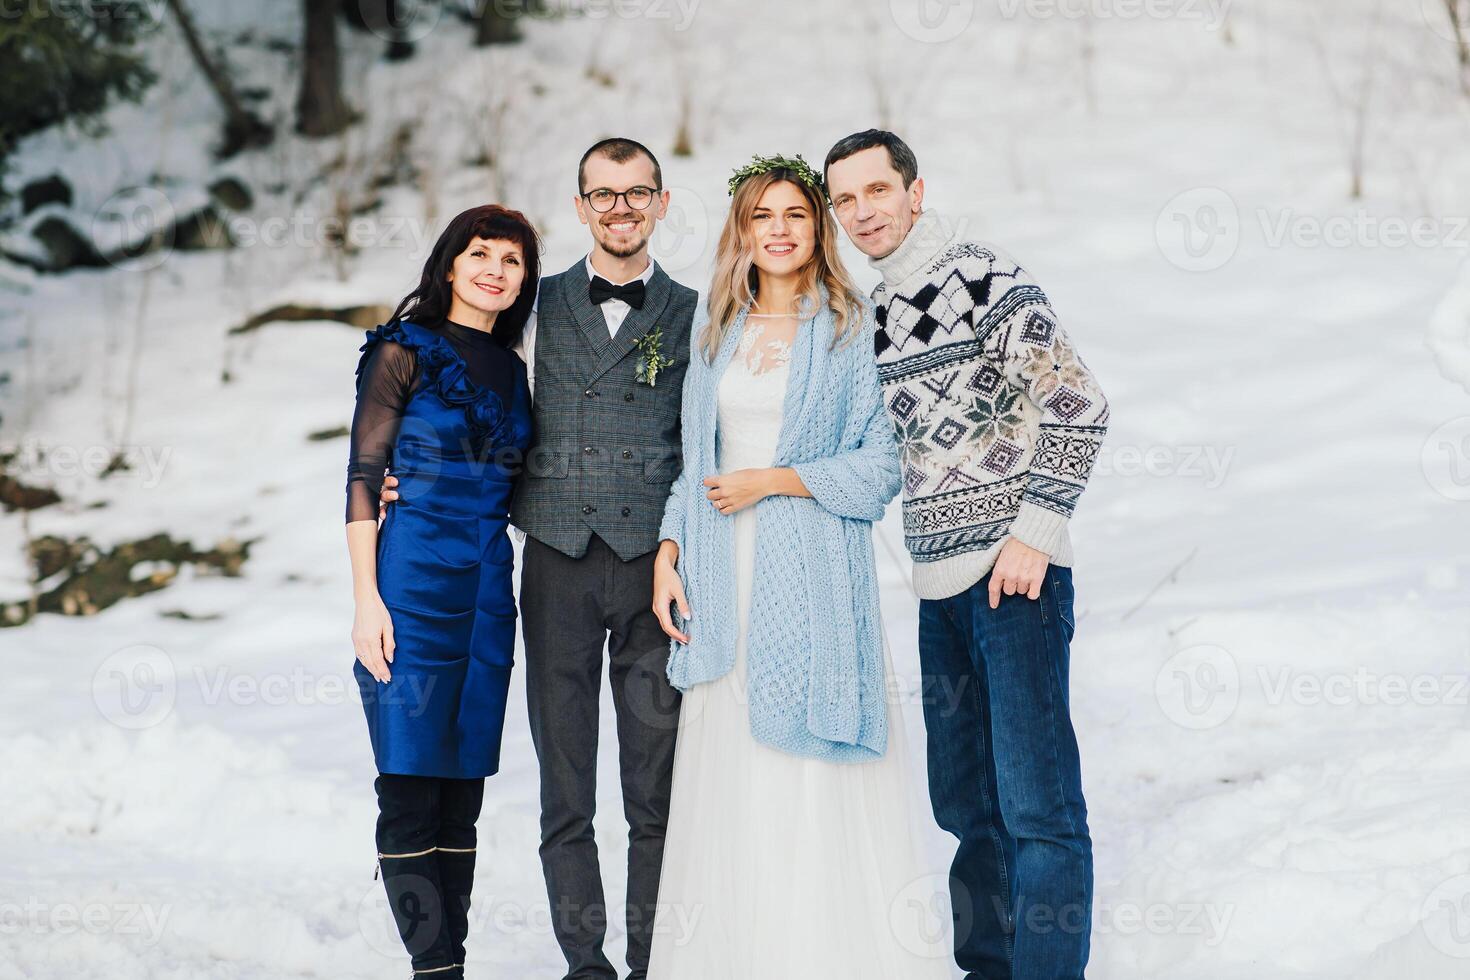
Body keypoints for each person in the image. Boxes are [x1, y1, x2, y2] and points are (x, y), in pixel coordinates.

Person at [384, 138, 698, 980]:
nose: (620, 208)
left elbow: (707, 439)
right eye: (603, 194)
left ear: (662, 204)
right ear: (581, 207)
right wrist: (403, 482)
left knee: (654, 788)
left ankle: (650, 964)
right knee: (566, 788)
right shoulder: (529, 305)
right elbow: (460, 392)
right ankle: (585, 967)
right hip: (552, 567)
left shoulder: (698, 313)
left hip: (652, 574)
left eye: (637, 194)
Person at [645, 154, 952, 980]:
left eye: (796, 215)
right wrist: (670, 551)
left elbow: (879, 467)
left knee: (805, 766)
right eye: (762, 216)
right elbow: (691, 460)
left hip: (811, 574)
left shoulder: (849, 331)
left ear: (818, 230)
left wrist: (772, 482)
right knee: (733, 774)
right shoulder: (715, 333)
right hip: (719, 573)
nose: (779, 230)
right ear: (741, 231)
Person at [825, 129, 1111, 980]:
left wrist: (1033, 535)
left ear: (914, 191)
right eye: (845, 199)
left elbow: (1080, 403)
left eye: (877, 190)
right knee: (965, 806)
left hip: (1014, 578)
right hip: (939, 590)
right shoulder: (873, 312)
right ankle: (987, 968)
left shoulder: (984, 277)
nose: (862, 211)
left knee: (1037, 805)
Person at [345, 204, 538, 979]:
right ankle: (437, 969)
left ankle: (448, 963)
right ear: (450, 263)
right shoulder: (402, 351)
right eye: (479, 253)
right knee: (410, 782)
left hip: (490, 586)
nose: (494, 269)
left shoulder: (516, 372)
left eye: (512, 260)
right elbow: (363, 476)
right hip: (412, 578)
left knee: (463, 790)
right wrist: (367, 598)